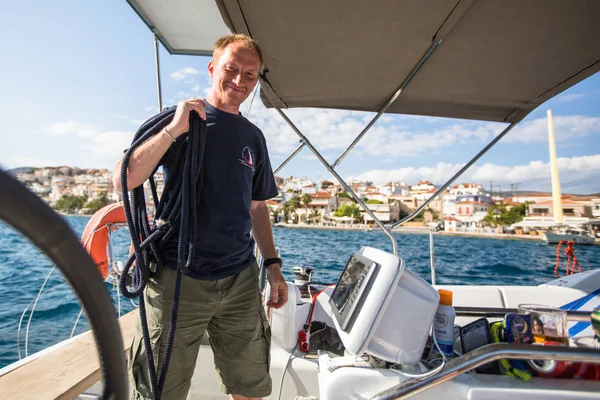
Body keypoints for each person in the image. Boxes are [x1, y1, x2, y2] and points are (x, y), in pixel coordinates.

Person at [113, 34, 288, 400]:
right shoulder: (180, 122)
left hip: (239, 280)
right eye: (231, 70)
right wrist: (174, 129)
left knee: (251, 388)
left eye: (250, 75)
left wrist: (272, 267)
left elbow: (256, 207)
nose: (240, 81)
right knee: (159, 392)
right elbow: (124, 179)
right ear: (212, 68)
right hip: (179, 278)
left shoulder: (253, 137)